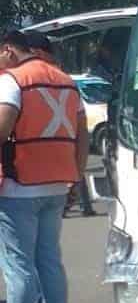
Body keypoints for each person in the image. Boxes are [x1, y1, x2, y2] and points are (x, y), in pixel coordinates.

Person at [0, 30, 89, 303]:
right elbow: (81, 137)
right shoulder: (67, 82)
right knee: (49, 261)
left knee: (18, 266)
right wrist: (76, 179)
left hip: (18, 187)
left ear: (9, 50)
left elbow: (2, 126)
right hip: (57, 184)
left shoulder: (13, 81)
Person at [23, 30, 96, 218]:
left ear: (36, 52)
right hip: (59, 178)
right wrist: (77, 177)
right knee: (48, 246)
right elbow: (82, 133)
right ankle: (85, 203)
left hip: (24, 183)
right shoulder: (67, 82)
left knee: (19, 246)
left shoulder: (18, 81)